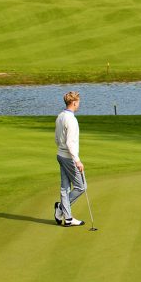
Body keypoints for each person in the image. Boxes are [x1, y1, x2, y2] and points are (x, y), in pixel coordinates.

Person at [54, 91, 87, 227]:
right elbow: (70, 143)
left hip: (60, 155)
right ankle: (62, 208)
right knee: (81, 187)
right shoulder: (71, 119)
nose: (79, 104)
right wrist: (77, 160)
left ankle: (67, 218)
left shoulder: (60, 116)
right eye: (78, 102)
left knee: (65, 188)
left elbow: (57, 138)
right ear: (74, 102)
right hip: (68, 157)